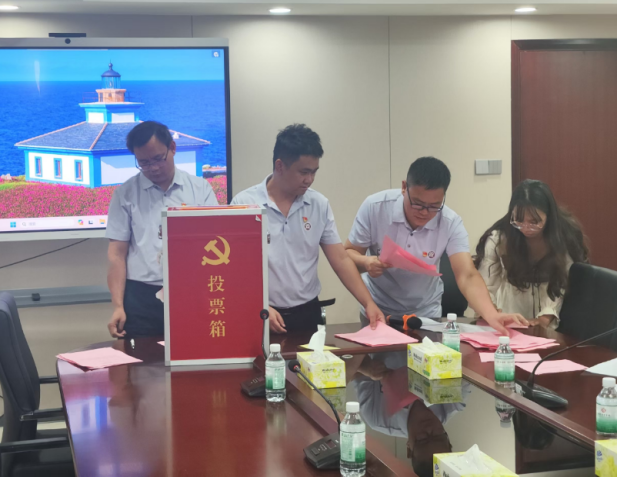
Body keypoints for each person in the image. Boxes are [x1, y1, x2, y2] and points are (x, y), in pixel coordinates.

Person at [344, 156, 527, 335]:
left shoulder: (450, 222)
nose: (424, 212)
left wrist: (492, 315)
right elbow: (348, 254)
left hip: (426, 315)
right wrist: (366, 262)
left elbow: (467, 275)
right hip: (377, 309)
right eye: (417, 204)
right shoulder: (375, 207)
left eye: (434, 206)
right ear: (404, 187)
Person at [231, 124, 384, 333]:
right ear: (280, 166)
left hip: (307, 312)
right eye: (304, 172)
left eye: (314, 172)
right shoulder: (244, 204)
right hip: (261, 311)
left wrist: (368, 303)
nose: (309, 180)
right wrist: (258, 303)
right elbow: (234, 268)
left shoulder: (318, 204)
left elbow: (340, 260)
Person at [106, 121, 218, 338]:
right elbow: (116, 254)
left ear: (172, 148)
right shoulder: (125, 194)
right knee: (141, 358)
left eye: (158, 158)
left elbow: (215, 242)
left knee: (193, 351)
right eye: (144, 162)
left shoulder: (200, 189)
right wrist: (118, 306)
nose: (154, 168)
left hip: (191, 291)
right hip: (141, 296)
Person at [474, 179, 588, 329]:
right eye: (519, 220)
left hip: (557, 315)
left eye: (534, 222)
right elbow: (485, 283)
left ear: (549, 216)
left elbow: (563, 281)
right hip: (512, 312)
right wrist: (490, 312)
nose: (526, 228)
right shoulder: (500, 237)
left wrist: (545, 318)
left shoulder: (565, 236)